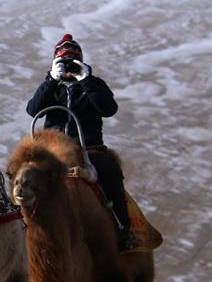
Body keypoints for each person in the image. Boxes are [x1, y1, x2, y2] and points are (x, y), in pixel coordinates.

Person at [25, 34, 134, 252]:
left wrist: (86, 81)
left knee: (109, 170)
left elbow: (108, 109)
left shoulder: (94, 84)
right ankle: (21, 229)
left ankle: (123, 229)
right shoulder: (50, 86)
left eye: (73, 61)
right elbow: (33, 109)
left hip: (88, 148)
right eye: (63, 61)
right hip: (53, 151)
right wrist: (52, 80)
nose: (68, 66)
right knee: (23, 174)